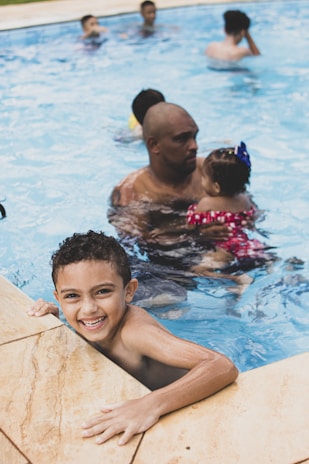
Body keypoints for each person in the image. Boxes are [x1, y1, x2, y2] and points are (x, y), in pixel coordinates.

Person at [28, 230, 238, 445]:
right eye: (72, 296)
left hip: (196, 414)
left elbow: (220, 365)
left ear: (129, 291)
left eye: (102, 292)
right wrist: (56, 317)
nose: (88, 309)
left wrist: (150, 404)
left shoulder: (135, 333)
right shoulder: (89, 320)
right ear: (58, 298)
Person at [109, 102, 231, 256]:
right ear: (154, 145)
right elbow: (133, 248)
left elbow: (249, 211)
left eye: (194, 136)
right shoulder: (131, 191)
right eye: (182, 139)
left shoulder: (211, 171)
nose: (194, 146)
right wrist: (198, 234)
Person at [186, 142, 269, 279]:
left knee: (198, 270)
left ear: (216, 187)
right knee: (264, 261)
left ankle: (236, 279)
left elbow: (190, 227)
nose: (201, 180)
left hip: (225, 249)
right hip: (248, 245)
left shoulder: (206, 204)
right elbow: (253, 218)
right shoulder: (245, 199)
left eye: (204, 177)